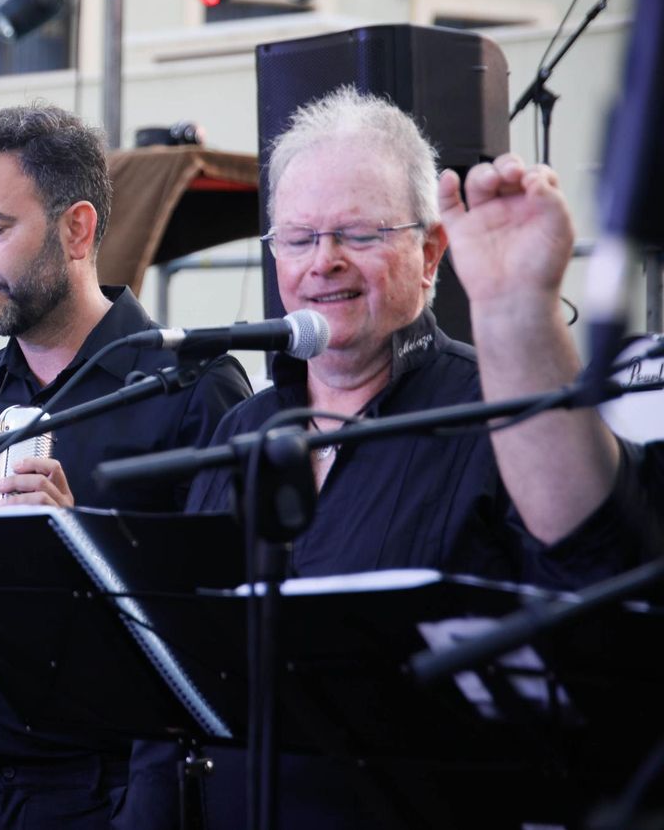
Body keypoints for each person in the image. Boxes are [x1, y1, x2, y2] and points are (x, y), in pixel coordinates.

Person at [128, 88, 661, 828]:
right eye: (299, 237)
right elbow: (179, 685)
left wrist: (519, 314)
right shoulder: (241, 427)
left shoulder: (503, 406)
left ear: (431, 253)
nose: (325, 263)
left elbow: (601, 562)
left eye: (359, 233)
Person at [0, 104, 252, 830]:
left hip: (114, 792)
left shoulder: (191, 385)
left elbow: (221, 648)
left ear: (78, 229)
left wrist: (77, 543)